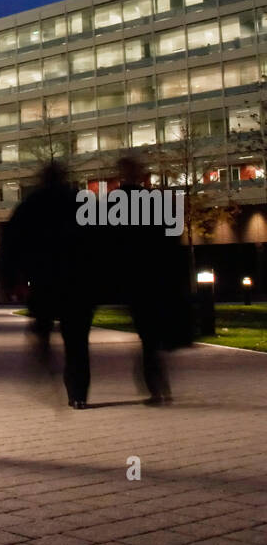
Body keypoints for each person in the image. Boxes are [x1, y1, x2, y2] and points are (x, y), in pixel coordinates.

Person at [1, 159, 97, 408]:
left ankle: (44, 361)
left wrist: (12, 280)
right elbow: (100, 243)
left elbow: (10, 243)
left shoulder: (32, 205)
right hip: (78, 283)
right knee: (77, 342)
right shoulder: (80, 201)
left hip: (46, 280)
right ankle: (77, 394)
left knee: (42, 328)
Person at [108, 155, 186, 404]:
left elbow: (107, 243)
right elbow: (171, 238)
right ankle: (157, 382)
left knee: (147, 334)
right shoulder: (154, 201)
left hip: (135, 278)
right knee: (151, 334)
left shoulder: (113, 203)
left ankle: (155, 384)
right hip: (155, 276)